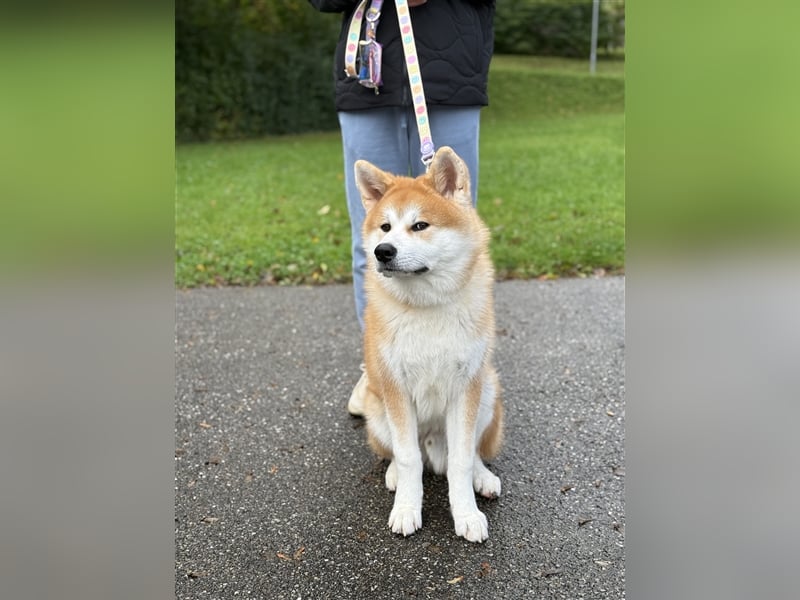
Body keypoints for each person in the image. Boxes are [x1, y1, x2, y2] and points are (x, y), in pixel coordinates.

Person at [307, 0, 495, 415]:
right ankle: (380, 371)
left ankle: (460, 368)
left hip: (452, 71)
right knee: (376, 244)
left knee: (451, 242)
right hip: (367, 77)